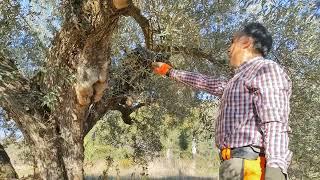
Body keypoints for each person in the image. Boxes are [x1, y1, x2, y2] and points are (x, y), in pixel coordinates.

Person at [152, 22, 292, 180]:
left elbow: (275, 122)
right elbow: (204, 82)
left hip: (249, 166)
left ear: (246, 42)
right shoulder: (237, 80)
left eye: (232, 41)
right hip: (233, 165)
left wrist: (276, 171)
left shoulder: (265, 69)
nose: (228, 48)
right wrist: (169, 71)